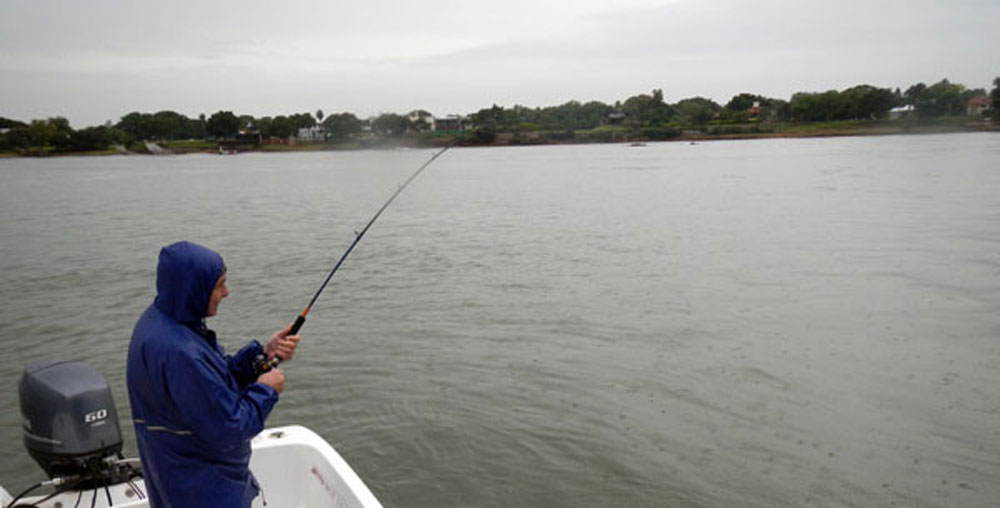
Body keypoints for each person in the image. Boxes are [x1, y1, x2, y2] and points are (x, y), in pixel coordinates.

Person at [127, 241, 300, 508]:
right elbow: (231, 428)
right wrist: (267, 389)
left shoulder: (166, 324)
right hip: (202, 488)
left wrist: (262, 355)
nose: (226, 292)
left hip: (182, 477)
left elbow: (213, 381)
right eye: (219, 285)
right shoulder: (179, 352)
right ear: (194, 289)